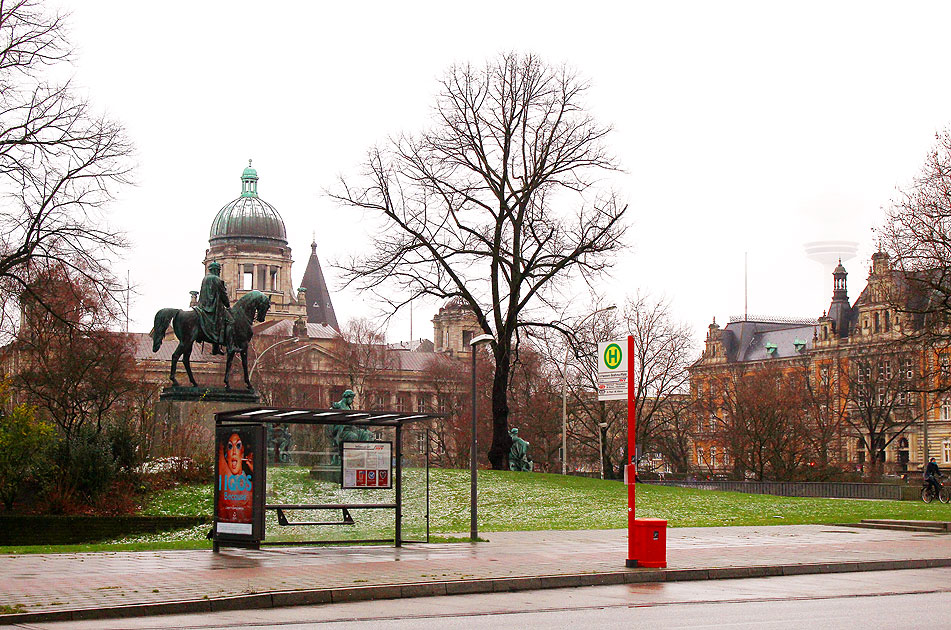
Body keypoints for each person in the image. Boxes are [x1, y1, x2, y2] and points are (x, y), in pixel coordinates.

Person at [196, 261, 234, 355]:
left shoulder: (205, 279)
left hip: (202, 305)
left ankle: (214, 346)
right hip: (213, 306)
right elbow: (223, 294)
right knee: (229, 322)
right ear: (216, 270)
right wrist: (228, 306)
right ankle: (218, 345)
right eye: (218, 270)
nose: (219, 272)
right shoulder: (216, 279)